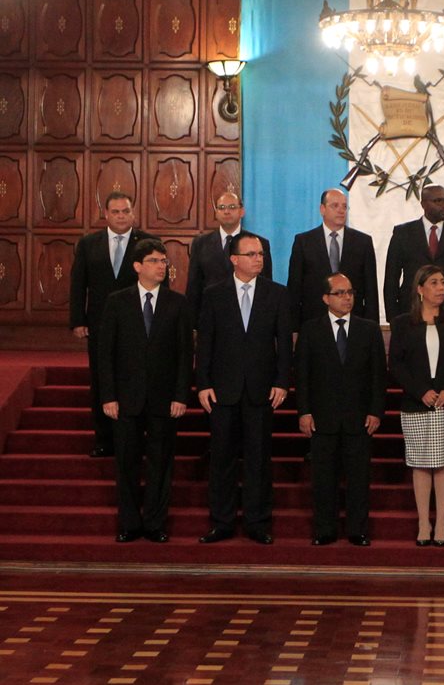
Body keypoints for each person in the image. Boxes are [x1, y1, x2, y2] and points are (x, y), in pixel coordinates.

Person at [195, 232, 291, 545]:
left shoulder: (277, 294)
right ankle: (221, 522)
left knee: (258, 460)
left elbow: (284, 345)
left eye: (261, 254)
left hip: (261, 391)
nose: (258, 259)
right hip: (222, 390)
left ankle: (257, 522)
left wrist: (281, 381)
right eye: (251, 254)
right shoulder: (214, 294)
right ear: (234, 259)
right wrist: (203, 384)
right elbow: (205, 342)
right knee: (221, 459)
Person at [96, 239, 192, 544]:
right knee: (126, 462)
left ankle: (155, 523)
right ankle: (129, 523)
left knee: (161, 463)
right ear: (138, 266)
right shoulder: (117, 302)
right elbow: (105, 354)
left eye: (163, 261)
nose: (162, 266)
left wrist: (180, 395)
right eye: (154, 261)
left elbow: (184, 353)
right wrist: (108, 396)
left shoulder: (177, 303)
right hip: (126, 399)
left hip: (164, 400)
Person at [294, 272, 387, 547]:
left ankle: (358, 530)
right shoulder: (311, 330)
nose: (347, 298)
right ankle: (325, 529)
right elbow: (302, 375)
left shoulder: (369, 329)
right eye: (340, 293)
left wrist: (375, 411)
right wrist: (304, 411)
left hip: (359, 418)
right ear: (325, 298)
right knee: (323, 478)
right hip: (322, 418)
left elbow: (378, 375)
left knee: (359, 478)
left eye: (350, 292)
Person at [389, 265, 444, 547]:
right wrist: (420, 390)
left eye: (443, 282)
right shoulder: (403, 323)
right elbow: (397, 364)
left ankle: (441, 523)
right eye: (434, 283)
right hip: (417, 403)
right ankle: (423, 521)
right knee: (420, 463)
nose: (441, 288)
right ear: (420, 289)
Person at [69, 191, 159, 458]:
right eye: (116, 212)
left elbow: (158, 282)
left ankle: (138, 440)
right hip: (99, 325)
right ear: (106, 214)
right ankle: (104, 439)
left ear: (133, 213)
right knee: (101, 380)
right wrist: (77, 320)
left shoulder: (148, 243)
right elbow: (78, 284)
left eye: (126, 211)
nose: (121, 216)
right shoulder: (88, 243)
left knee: (136, 380)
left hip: (138, 325)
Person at [384, 184, 444, 323]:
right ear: (423, 204)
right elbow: (391, 279)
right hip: (410, 313)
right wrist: (393, 317)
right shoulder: (402, 233)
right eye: (438, 201)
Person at [288, 188, 379, 330]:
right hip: (313, 322)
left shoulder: (363, 242)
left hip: (354, 323)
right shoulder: (304, 242)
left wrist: (372, 327)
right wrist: (293, 328)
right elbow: (294, 289)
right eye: (335, 206)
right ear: (322, 209)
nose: (341, 210)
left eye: (344, 206)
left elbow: (371, 290)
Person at [187, 191, 273, 318]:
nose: (226, 211)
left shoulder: (259, 243)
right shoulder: (201, 243)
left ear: (242, 212)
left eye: (232, 207)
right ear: (216, 213)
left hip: (248, 315)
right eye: (221, 208)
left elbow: (266, 285)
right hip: (211, 315)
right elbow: (194, 286)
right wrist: (192, 324)